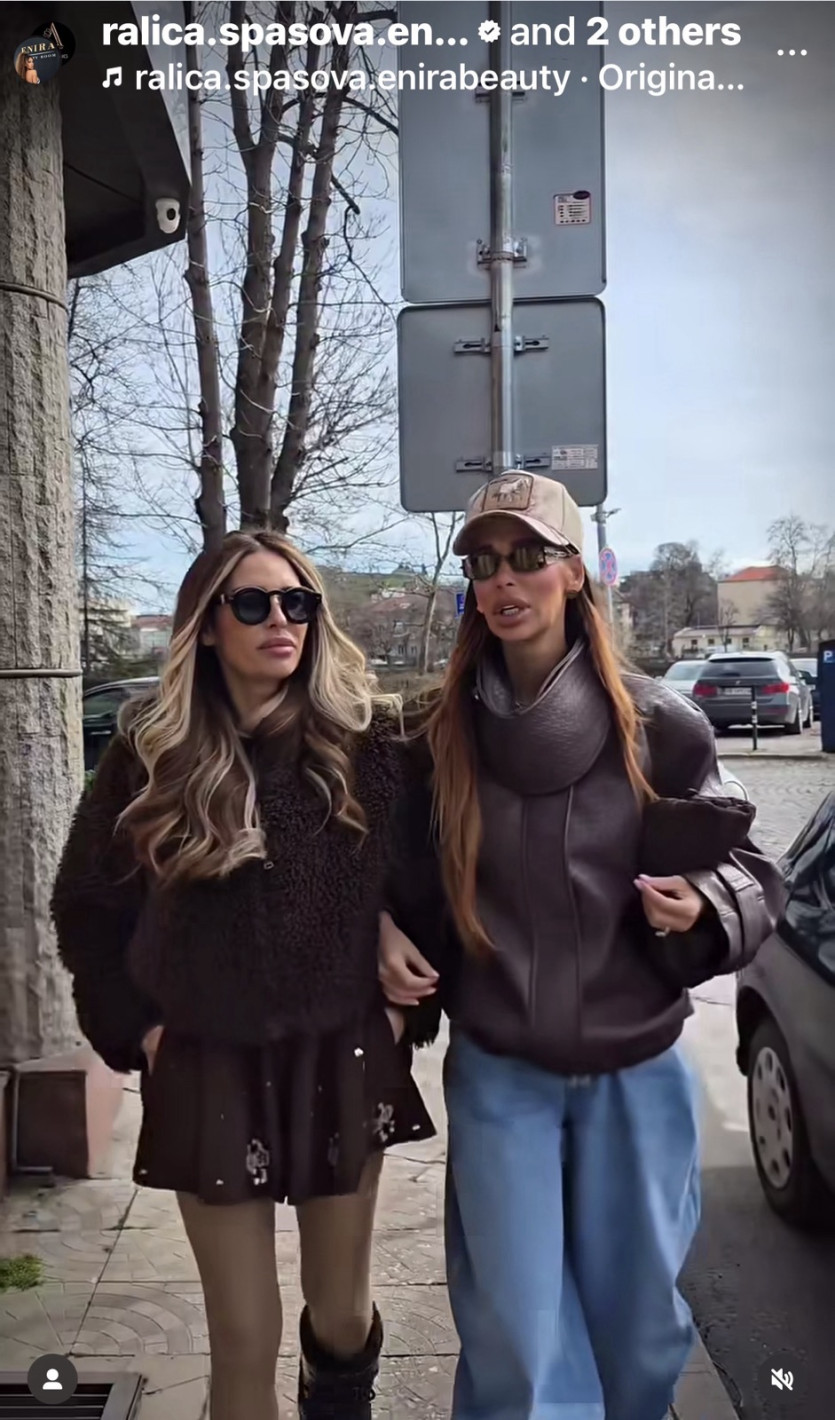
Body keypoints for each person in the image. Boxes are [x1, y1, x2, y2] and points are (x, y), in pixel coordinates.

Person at [379, 472, 784, 1420]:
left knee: (639, 1335)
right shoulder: (438, 736)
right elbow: (384, 871)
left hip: (635, 1070)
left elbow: (751, 871)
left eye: (528, 555)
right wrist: (381, 930)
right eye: (484, 562)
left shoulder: (660, 724)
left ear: (574, 573)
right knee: (517, 1344)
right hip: (500, 1073)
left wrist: (703, 901)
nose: (503, 579)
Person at [52, 531, 435, 1420]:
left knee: (340, 1315)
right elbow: (88, 904)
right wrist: (138, 1029)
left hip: (339, 1050)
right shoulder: (152, 750)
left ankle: (334, 1396)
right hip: (206, 1056)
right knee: (242, 1336)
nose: (280, 621)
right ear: (207, 623)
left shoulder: (370, 745)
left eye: (298, 602)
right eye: (254, 603)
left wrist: (394, 973)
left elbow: (427, 886)